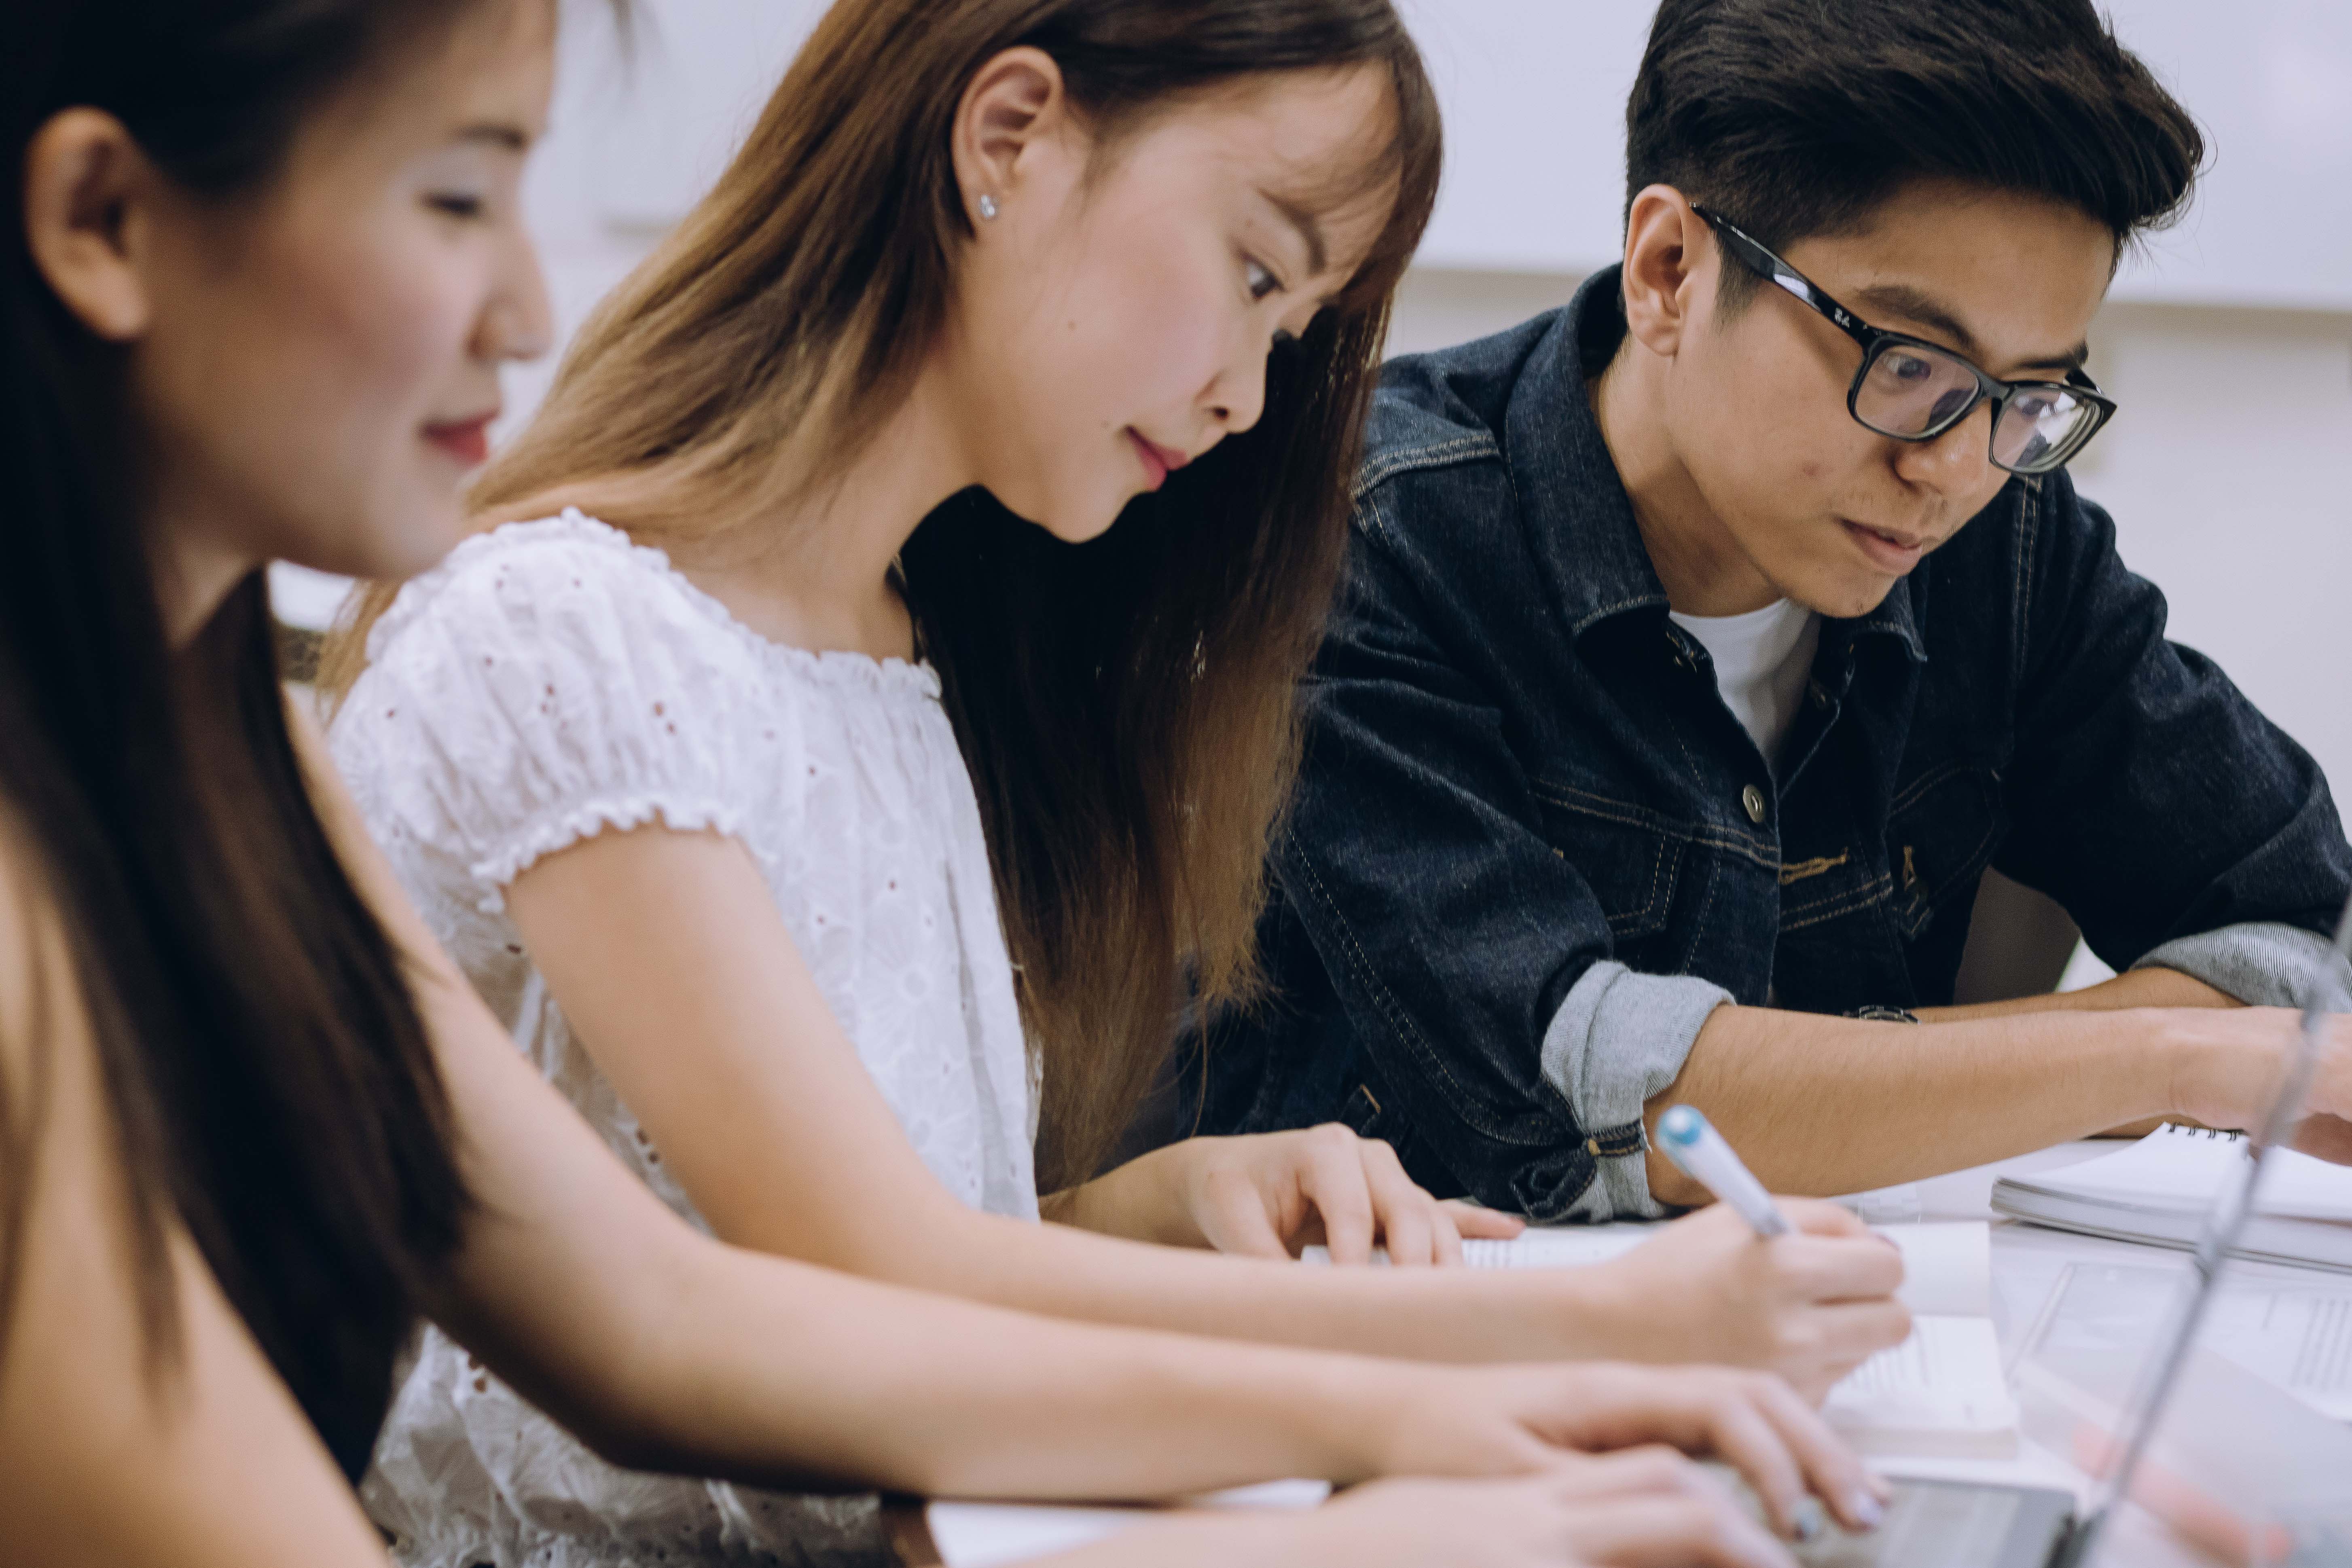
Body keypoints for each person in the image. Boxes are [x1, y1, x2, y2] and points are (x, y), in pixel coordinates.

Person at [0, 1, 1890, 1565]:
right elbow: (832, 1283)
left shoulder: (233, 751)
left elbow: (662, 1319)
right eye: (454, 194)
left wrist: (1422, 1386)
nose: (520, 303)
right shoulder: (539, 639)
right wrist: (1478, 1390)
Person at [1191, 0, 2352, 1223]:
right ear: (1670, 273)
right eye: (1909, 365)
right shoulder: (1364, 535)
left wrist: (1869, 1082)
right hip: (1396, 1319)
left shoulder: (2005, 541)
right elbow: (1577, 1097)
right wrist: (2168, 1056)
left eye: (2029, 395)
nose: (1955, 468)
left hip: (1857, 1306)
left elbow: (2304, 940)